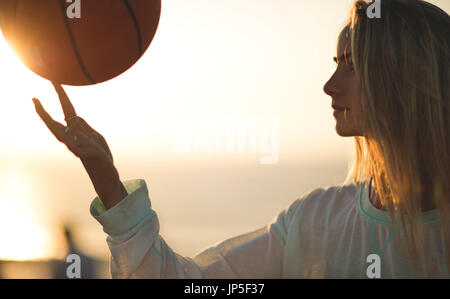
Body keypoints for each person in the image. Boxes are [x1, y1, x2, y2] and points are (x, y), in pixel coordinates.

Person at [32, 0, 449, 278]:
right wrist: (107, 179)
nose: (329, 85)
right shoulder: (313, 222)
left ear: (406, 77)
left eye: (352, 66)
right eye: (335, 63)